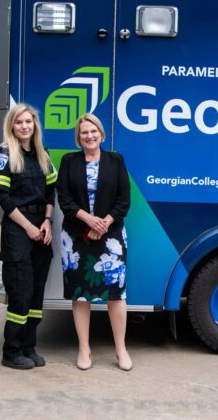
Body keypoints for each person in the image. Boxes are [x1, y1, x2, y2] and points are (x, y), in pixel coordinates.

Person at [55, 113, 132, 371]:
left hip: (111, 235)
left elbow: (124, 200)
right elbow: (64, 199)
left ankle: (121, 350)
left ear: (101, 133)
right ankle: (84, 348)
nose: (89, 136)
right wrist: (89, 220)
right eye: (84, 132)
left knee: (116, 294)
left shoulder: (116, 160)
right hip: (77, 235)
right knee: (80, 295)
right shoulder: (68, 161)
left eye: (93, 131)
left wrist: (104, 223)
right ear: (78, 137)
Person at [0, 105, 57, 370]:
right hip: (19, 228)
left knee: (36, 293)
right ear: (12, 126)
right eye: (19, 122)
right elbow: (2, 198)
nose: (24, 126)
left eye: (28, 121)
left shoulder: (43, 153)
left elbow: (50, 192)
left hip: (42, 228)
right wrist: (29, 226)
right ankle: (11, 351)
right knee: (20, 292)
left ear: (35, 125)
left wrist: (48, 222)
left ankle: (29, 346)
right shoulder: (4, 153)